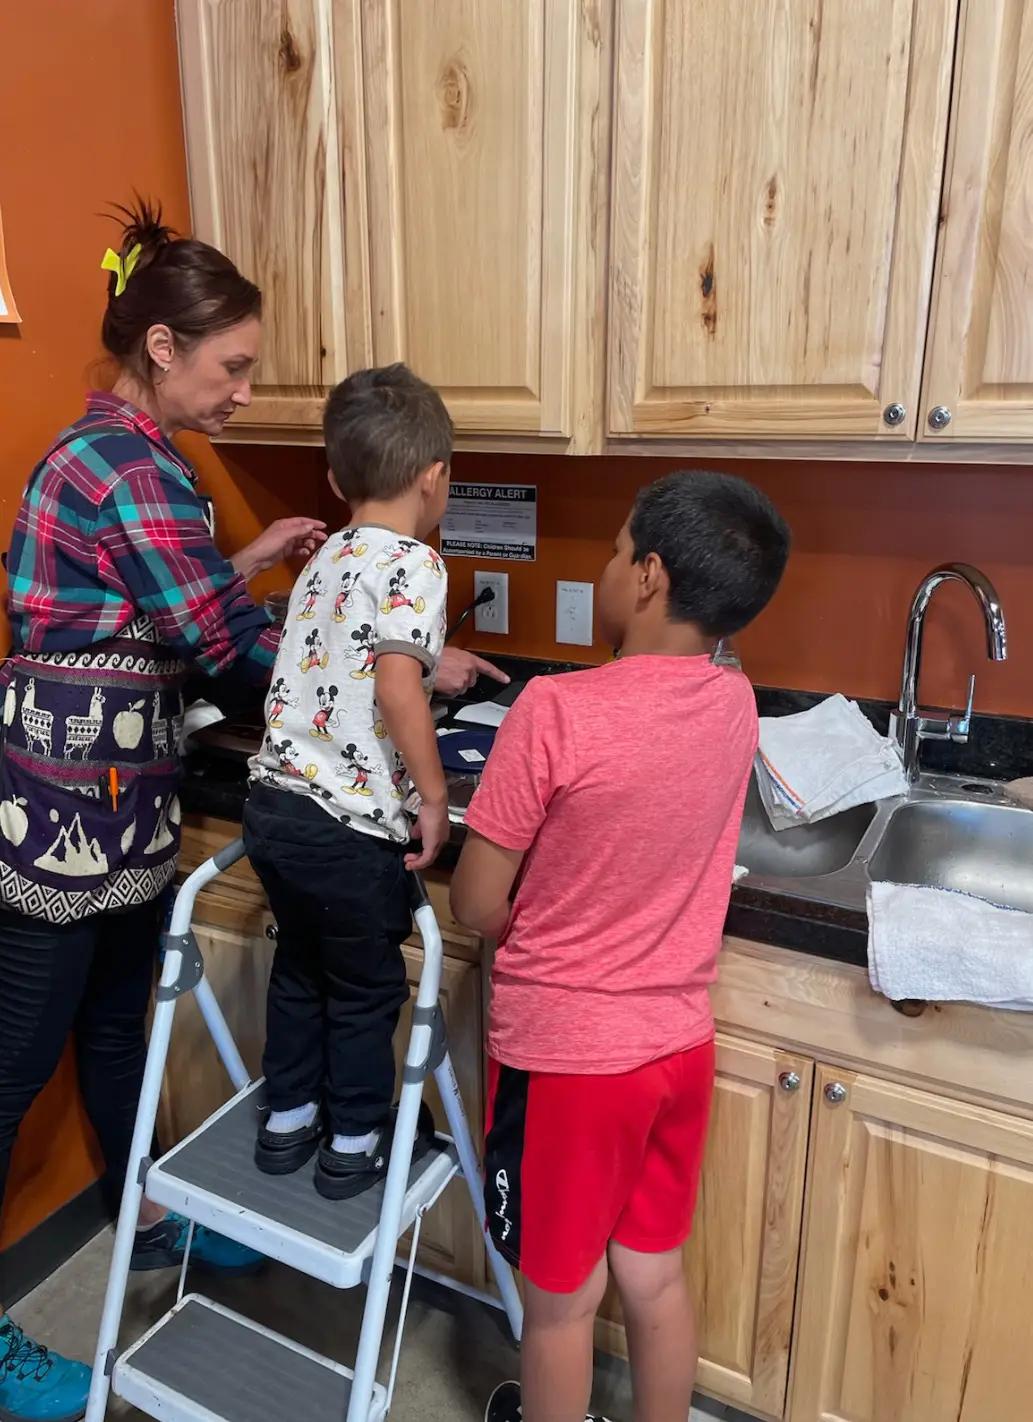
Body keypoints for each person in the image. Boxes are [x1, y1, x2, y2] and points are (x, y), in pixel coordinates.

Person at [0, 206, 498, 1422]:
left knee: (118, 1030)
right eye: (231, 369)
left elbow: (146, 603)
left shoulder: (121, 456)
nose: (241, 393)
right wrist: (385, 669)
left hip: (115, 802)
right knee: (11, 1066)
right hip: (66, 809)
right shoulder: (132, 467)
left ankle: (153, 1218)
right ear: (161, 346)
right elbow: (219, 647)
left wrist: (267, 573)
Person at [450, 470, 791, 1422]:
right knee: (653, 1275)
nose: (603, 566)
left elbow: (479, 901)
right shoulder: (733, 701)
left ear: (645, 576)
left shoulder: (554, 714)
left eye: (611, 549)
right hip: (679, 1047)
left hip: (570, 1061)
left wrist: (541, 921)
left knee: (559, 1307)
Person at [244, 364, 456, 1198]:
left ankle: (288, 1118)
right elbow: (397, 685)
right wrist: (433, 799)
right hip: (347, 829)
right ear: (433, 477)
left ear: (335, 478)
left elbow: (341, 663)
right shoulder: (417, 563)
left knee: (299, 967)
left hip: (274, 810)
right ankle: (356, 1142)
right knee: (366, 990)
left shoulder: (326, 552)